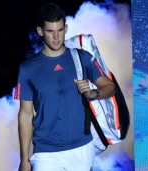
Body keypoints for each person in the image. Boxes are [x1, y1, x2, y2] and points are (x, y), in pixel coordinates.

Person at [14, 3, 115, 171]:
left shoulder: (82, 58)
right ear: (40, 31)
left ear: (66, 28)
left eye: (60, 30)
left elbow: (110, 87)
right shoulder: (28, 69)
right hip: (46, 152)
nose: (56, 37)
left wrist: (94, 93)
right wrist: (24, 159)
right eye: (50, 31)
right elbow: (25, 114)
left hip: (82, 148)